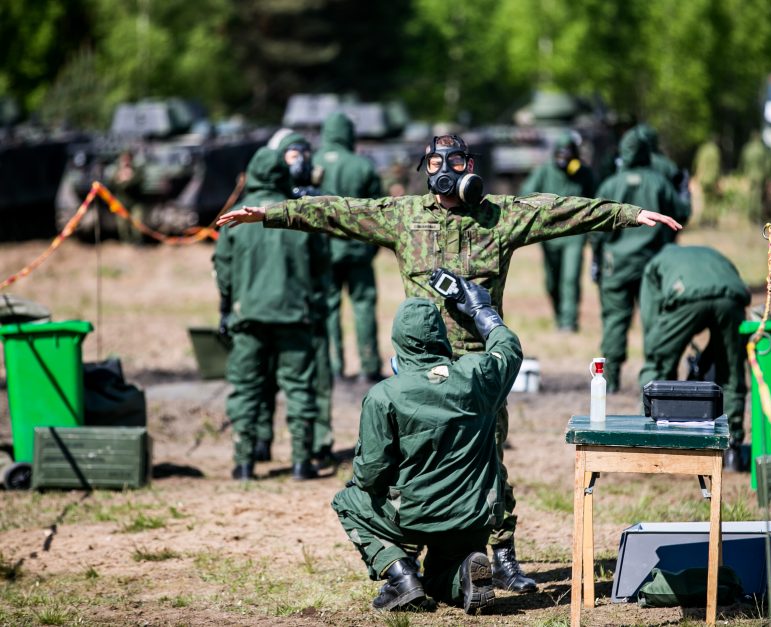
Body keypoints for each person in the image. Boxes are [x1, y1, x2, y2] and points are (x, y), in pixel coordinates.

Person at [217, 133, 681, 588]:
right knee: (407, 464)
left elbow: (560, 209)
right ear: (426, 171)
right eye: (436, 165)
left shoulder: (498, 217)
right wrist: (273, 213)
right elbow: (339, 211)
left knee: (489, 461)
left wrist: (629, 213)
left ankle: (501, 555)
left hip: (477, 368)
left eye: (456, 163)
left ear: (469, 167)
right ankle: (410, 557)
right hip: (417, 375)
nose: (445, 173)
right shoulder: (403, 216)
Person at [332, 279, 521, 613]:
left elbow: (370, 474)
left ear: (398, 342)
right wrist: (481, 310)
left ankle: (401, 575)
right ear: (441, 337)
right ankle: (464, 573)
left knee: (348, 501)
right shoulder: (476, 375)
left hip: (414, 515)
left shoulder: (384, 395)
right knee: (439, 577)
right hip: (474, 515)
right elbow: (508, 348)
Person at [213, 131, 332, 481]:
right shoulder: (296, 216)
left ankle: (245, 463)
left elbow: (223, 272)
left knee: (247, 388)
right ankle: (300, 461)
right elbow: (321, 268)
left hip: (247, 315)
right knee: (298, 388)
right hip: (295, 315)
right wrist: (314, 305)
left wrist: (226, 310)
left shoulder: (235, 219)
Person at [591, 127, 689, 393]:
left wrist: (596, 260)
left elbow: (595, 226)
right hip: (651, 265)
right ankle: (654, 379)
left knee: (614, 320)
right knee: (654, 320)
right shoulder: (659, 182)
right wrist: (683, 190)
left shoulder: (610, 184)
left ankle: (609, 380)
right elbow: (682, 214)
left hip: (615, 265)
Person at [638, 244, 751, 470]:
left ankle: (654, 439)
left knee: (658, 365)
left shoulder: (654, 264)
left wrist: (659, 350)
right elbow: (720, 299)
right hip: (731, 297)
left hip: (686, 295)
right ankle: (733, 449)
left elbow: (651, 321)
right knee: (731, 369)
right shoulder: (715, 254)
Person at [314, 112, 385, 384]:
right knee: (364, 306)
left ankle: (334, 366)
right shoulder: (363, 166)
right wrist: (372, 247)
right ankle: (369, 366)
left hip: (324, 252)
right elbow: (380, 212)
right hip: (358, 251)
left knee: (329, 308)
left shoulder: (315, 162)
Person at [520, 131, 596, 332]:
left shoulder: (584, 174)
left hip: (574, 235)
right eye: (560, 155)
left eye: (568, 155)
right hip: (550, 235)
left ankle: (569, 323)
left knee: (570, 279)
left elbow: (597, 201)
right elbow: (526, 194)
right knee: (552, 281)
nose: (564, 159)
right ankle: (559, 316)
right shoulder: (545, 171)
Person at [692, 137, 722, 226]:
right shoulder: (715, 150)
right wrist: (718, 180)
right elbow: (717, 166)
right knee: (712, 200)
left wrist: (696, 174)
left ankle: (703, 219)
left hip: (703, 178)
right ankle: (712, 220)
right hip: (712, 178)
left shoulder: (703, 149)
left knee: (705, 199)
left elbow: (696, 162)